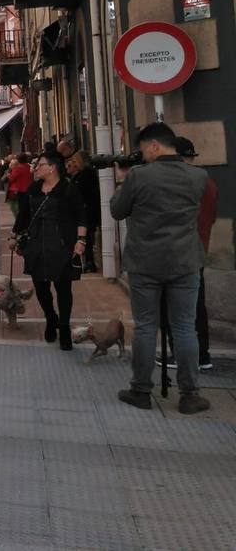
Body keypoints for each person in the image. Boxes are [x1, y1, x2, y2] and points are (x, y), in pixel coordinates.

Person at [111, 123, 210, 415]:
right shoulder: (198, 176)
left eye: (143, 149)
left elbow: (117, 210)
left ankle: (141, 390)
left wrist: (123, 181)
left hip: (145, 263)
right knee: (184, 327)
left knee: (145, 326)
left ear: (155, 145)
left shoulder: (139, 176)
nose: (142, 155)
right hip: (185, 261)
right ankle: (190, 394)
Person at [9, 151, 87, 351]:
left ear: (52, 167)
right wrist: (14, 236)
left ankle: (64, 327)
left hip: (61, 245)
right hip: (36, 245)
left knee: (63, 289)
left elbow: (81, 216)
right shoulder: (34, 190)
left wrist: (81, 240)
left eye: (40, 164)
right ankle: (51, 318)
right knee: (41, 288)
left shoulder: (68, 189)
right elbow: (24, 216)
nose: (36, 168)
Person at [158, 136, 216, 371]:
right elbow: (210, 217)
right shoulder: (208, 183)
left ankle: (181, 356)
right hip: (198, 251)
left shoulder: (177, 184)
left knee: (172, 308)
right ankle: (203, 356)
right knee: (197, 306)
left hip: (175, 252)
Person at [64, 151, 100, 273]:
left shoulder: (86, 175)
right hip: (85, 210)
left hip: (87, 210)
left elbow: (81, 193)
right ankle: (86, 261)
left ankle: (89, 262)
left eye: (74, 161)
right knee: (85, 237)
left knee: (86, 238)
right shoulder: (80, 175)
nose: (72, 164)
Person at [5, 153, 33, 221]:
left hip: (20, 190)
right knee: (27, 208)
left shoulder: (18, 168)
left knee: (19, 208)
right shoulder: (30, 167)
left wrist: (8, 175)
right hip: (29, 189)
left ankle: (20, 225)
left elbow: (11, 178)